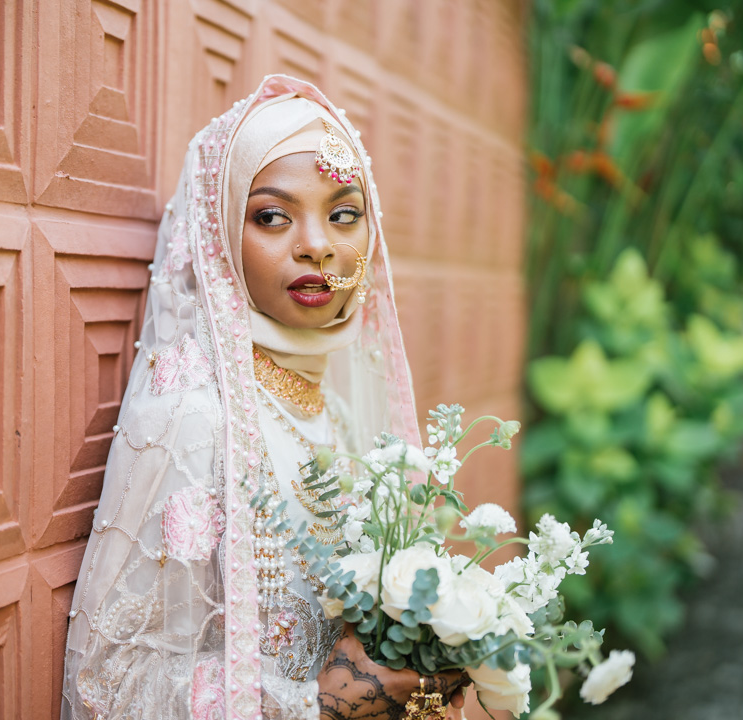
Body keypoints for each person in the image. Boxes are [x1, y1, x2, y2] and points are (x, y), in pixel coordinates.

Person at [62, 75, 469, 719]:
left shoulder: (333, 414)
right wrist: (319, 705)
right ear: (221, 236)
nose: (317, 243)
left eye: (344, 213)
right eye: (272, 216)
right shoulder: (193, 421)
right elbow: (111, 681)